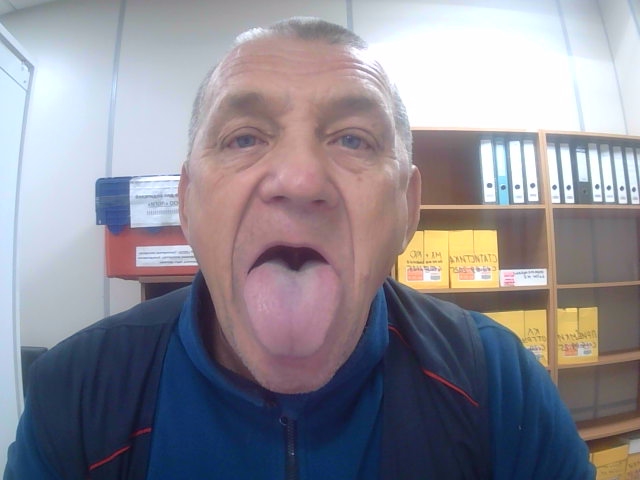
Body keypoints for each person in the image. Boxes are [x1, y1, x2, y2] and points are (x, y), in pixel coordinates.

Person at [5, 17, 595, 480]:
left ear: (407, 208)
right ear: (186, 203)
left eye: (353, 140)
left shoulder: (497, 383)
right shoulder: (77, 394)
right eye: (244, 138)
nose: (299, 178)